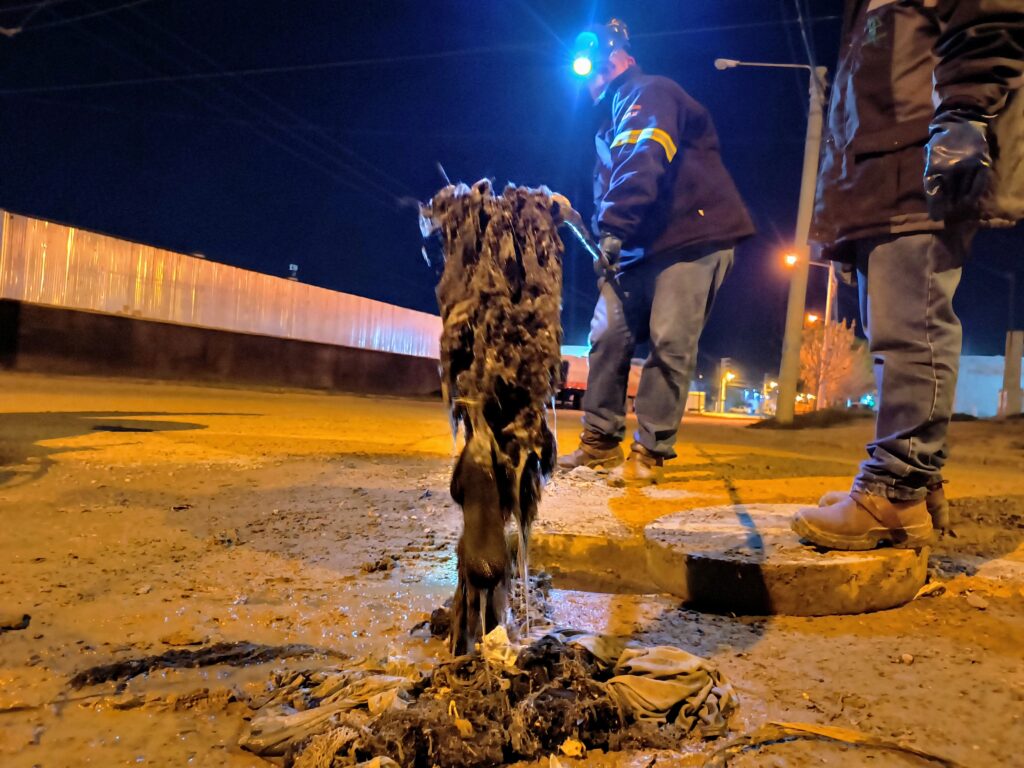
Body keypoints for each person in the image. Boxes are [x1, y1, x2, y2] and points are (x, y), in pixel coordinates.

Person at [792, 1, 1024, 550]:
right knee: (891, 332)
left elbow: (991, 15)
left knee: (910, 328)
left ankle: (895, 494)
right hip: (881, 168)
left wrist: (963, 111)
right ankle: (919, 480)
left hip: (919, 156)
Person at [557, 19, 755, 486]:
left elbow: (644, 157)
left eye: (602, 66)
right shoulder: (608, 124)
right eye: (590, 72)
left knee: (670, 340)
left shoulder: (648, 93)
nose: (595, 77)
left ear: (625, 59)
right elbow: (617, 184)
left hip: (692, 236)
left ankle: (649, 450)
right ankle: (600, 441)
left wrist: (614, 228)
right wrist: (604, 234)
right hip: (637, 246)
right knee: (606, 337)